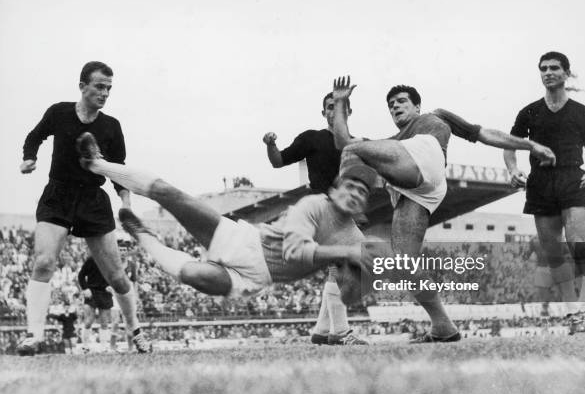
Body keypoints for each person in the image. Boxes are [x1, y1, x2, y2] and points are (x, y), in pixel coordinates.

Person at [331, 76, 556, 343]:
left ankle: (348, 212)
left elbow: (484, 134)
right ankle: (443, 327)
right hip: (420, 191)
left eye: (402, 102)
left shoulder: (435, 117)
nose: (395, 107)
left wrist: (530, 145)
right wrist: (341, 102)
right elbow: (341, 139)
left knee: (354, 150)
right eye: (391, 105)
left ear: (417, 107)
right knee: (405, 264)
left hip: (427, 155)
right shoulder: (390, 142)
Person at [76, 132, 384, 313]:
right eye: (350, 186)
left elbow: (349, 296)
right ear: (335, 189)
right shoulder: (314, 205)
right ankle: (96, 163)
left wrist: (357, 277)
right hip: (247, 242)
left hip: (255, 278)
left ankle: (142, 235)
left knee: (193, 274)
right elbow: (295, 251)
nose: (355, 193)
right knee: (170, 194)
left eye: (362, 191)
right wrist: (345, 256)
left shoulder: (355, 240)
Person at [18, 61, 150, 355]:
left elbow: (118, 169)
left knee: (116, 276)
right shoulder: (59, 112)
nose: (104, 93)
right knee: (43, 263)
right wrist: (30, 157)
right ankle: (32, 336)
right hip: (58, 195)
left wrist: (126, 202)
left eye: (109, 89)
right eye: (99, 87)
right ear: (82, 86)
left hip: (93, 199)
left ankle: (135, 329)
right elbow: (34, 136)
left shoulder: (111, 126)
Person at [503, 51, 585, 332]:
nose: (548, 72)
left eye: (554, 68)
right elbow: (510, 144)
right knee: (553, 250)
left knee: (577, 241)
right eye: (543, 68)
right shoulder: (530, 111)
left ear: (566, 73)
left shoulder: (581, 112)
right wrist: (513, 170)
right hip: (541, 182)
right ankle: (573, 312)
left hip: (572, 177)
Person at [263, 92, 365, 345]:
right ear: (324, 113)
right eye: (330, 107)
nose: (334, 111)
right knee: (350, 260)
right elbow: (278, 161)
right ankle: (340, 332)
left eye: (339, 107)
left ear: (348, 112)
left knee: (350, 262)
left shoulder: (357, 144)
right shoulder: (313, 138)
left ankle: (322, 330)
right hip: (319, 210)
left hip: (341, 215)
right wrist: (270, 145)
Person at [78, 257, 113, 352]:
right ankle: (85, 346)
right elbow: (81, 275)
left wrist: (111, 286)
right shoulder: (91, 260)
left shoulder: (111, 259)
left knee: (104, 322)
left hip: (105, 293)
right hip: (91, 292)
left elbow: (115, 276)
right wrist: (85, 289)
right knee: (88, 321)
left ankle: (104, 347)